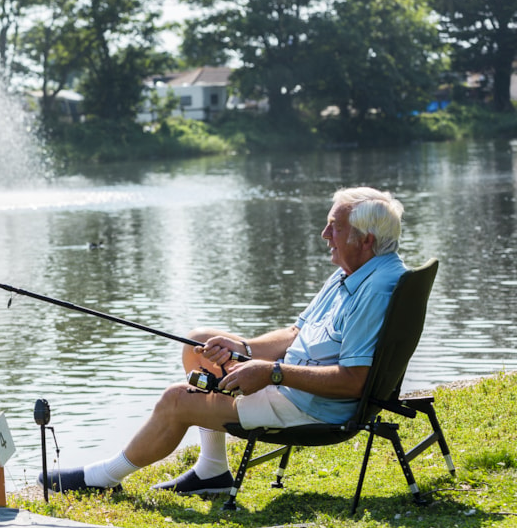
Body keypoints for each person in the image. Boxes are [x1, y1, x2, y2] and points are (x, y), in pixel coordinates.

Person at [42, 187, 408, 496]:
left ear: (366, 240)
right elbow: (297, 333)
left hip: (312, 405)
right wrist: (245, 350)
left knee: (175, 401)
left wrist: (272, 373)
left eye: (334, 228)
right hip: (296, 385)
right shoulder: (359, 270)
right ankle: (212, 469)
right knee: (197, 343)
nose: (324, 235)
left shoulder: (373, 289)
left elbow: (354, 381)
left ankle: (102, 479)